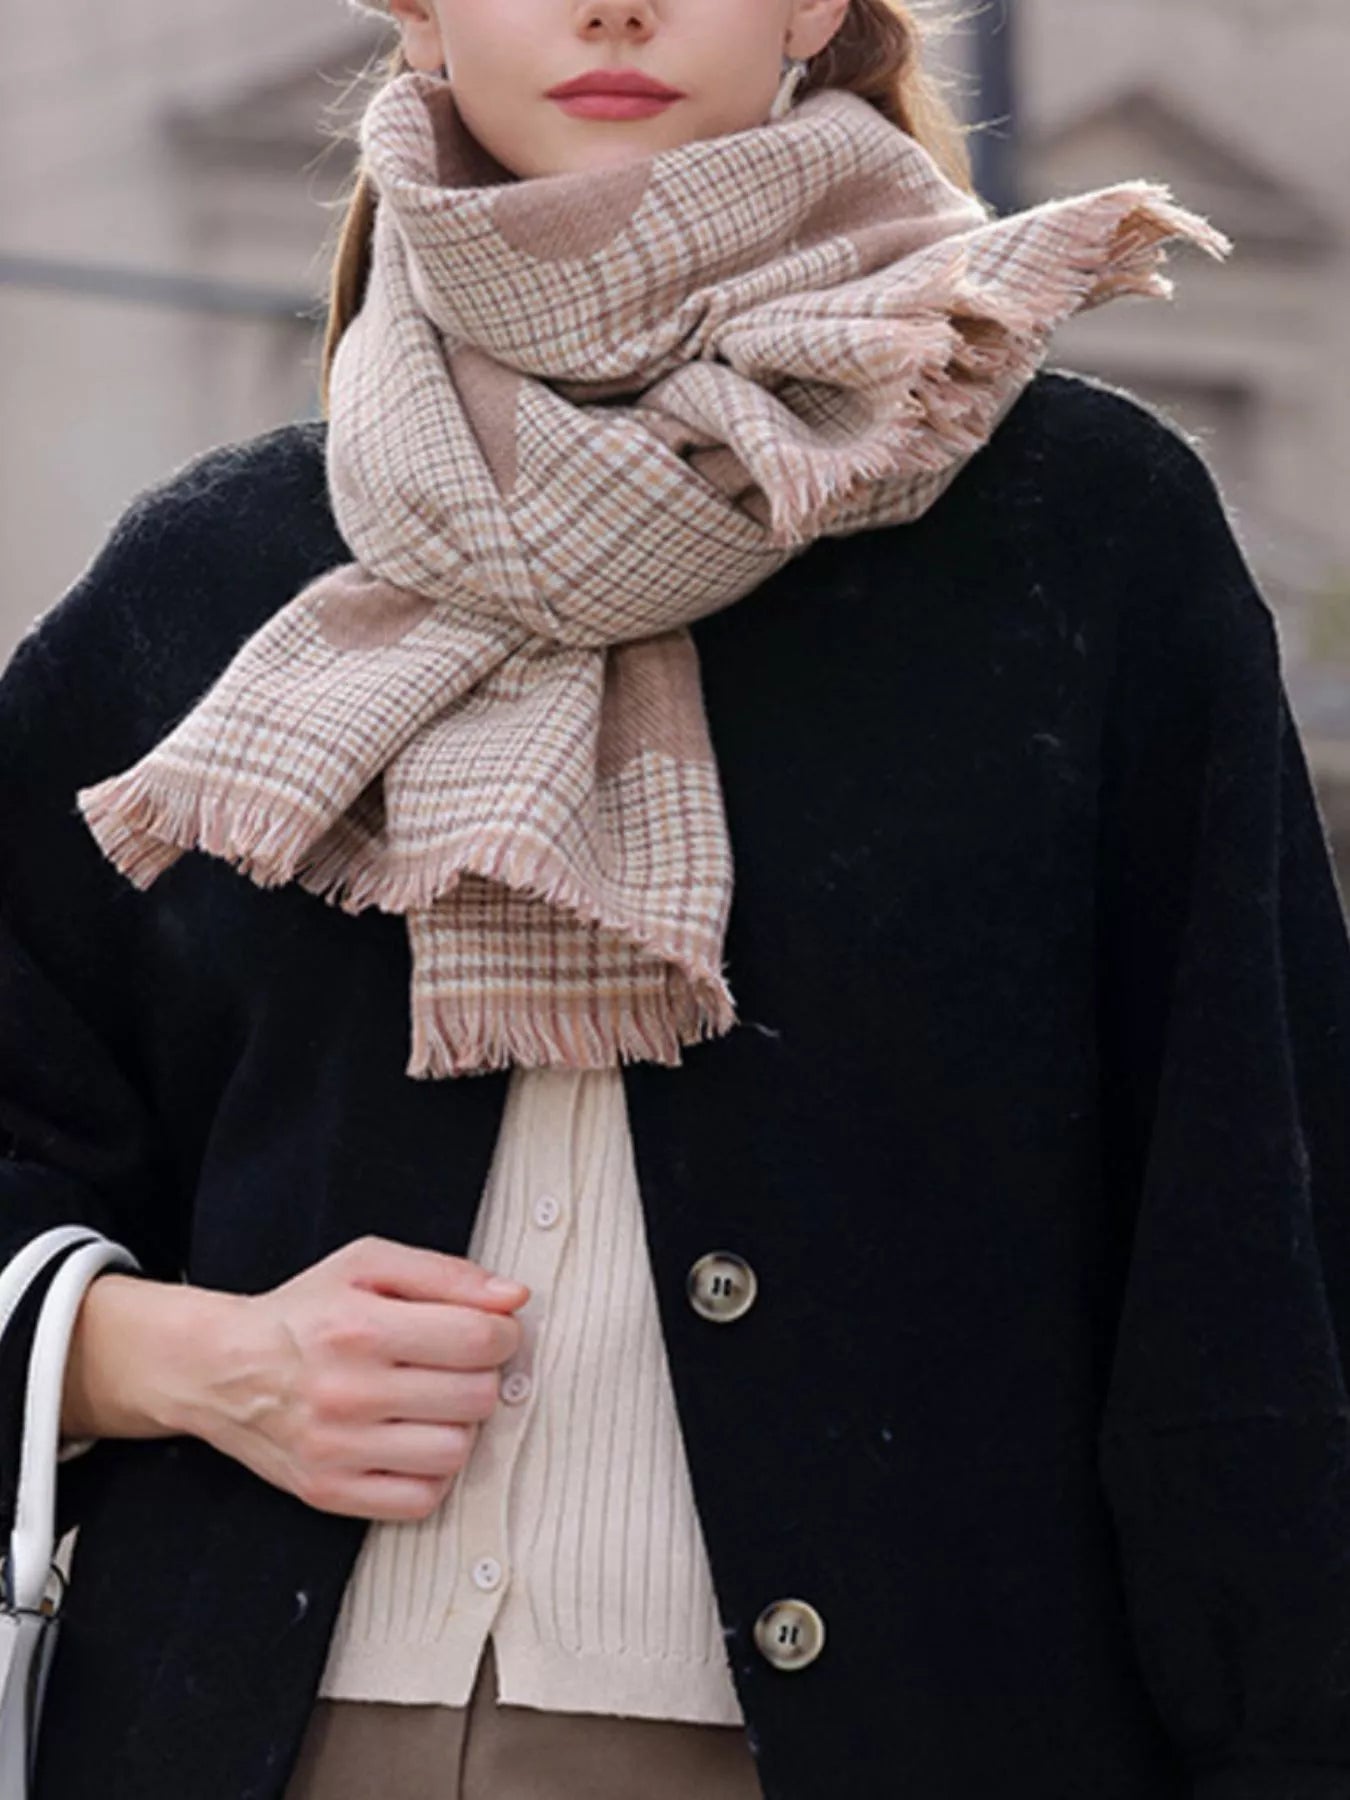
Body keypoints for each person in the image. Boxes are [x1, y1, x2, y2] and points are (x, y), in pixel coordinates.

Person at [3, 1, 1349, 1796]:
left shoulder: (1082, 541)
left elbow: (1245, 1233)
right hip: (248, 1737)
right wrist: (164, 1357)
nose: (615, 3)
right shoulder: (217, 573)